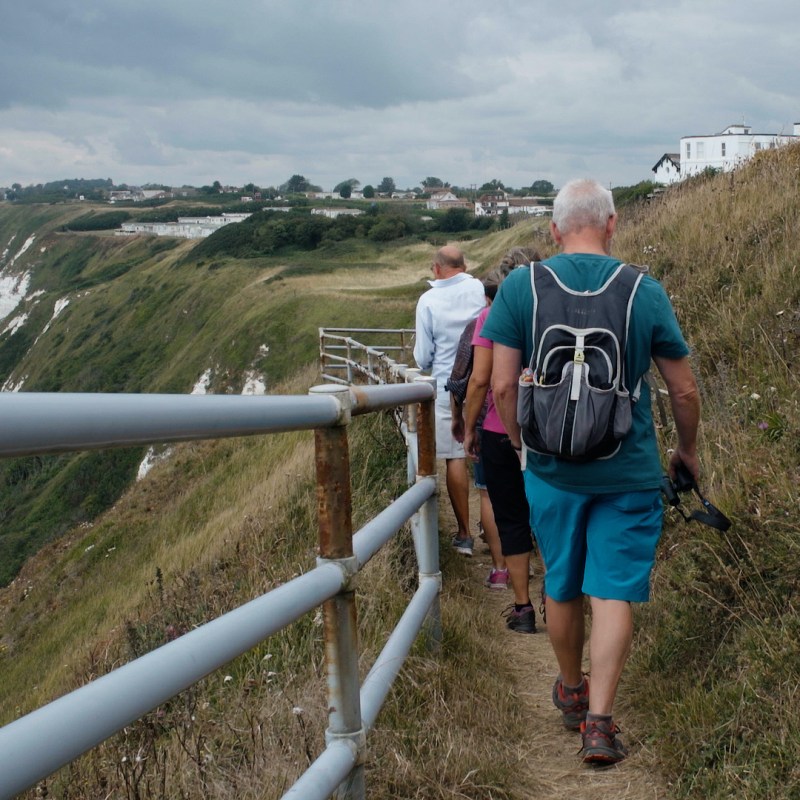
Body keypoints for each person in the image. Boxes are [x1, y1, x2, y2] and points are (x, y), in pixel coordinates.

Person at [482, 179, 700, 765]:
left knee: (563, 585)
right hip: (628, 470)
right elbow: (682, 388)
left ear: (553, 231)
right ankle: (599, 725)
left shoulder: (521, 288)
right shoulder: (642, 290)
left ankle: (571, 690)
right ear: (612, 223)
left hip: (551, 473)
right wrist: (687, 452)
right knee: (613, 592)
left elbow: (503, 385)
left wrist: (529, 449)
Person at [461, 248, 542, 631]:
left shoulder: (491, 316)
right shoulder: (550, 311)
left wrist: (468, 426)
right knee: (551, 513)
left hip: (499, 430)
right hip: (550, 430)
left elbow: (482, 380)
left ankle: (523, 608)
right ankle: (560, 597)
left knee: (511, 516)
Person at [414, 245, 485, 554]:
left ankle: (465, 533)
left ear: (437, 268)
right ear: (464, 265)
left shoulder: (427, 300)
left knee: (455, 456)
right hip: (483, 377)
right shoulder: (478, 288)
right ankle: (495, 526)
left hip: (447, 385)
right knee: (491, 450)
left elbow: (423, 357)